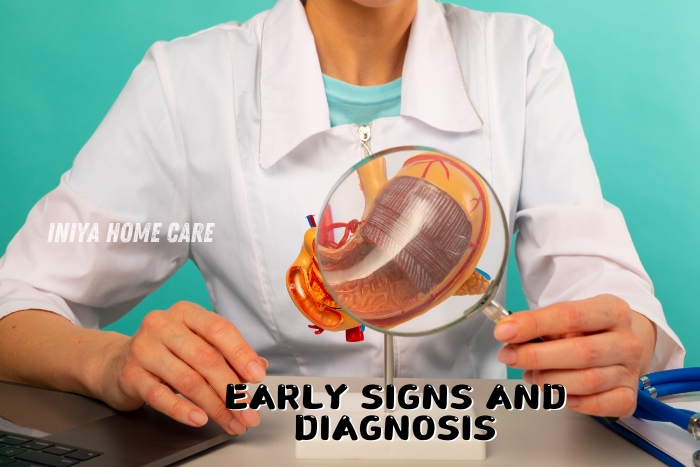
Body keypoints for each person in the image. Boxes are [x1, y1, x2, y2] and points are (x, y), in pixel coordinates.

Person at [0, 0, 684, 436]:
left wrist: (624, 339)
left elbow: (609, 296)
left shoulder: (519, 58)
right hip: (260, 447)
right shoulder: (188, 86)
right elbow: (14, 303)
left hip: (471, 447)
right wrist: (111, 360)